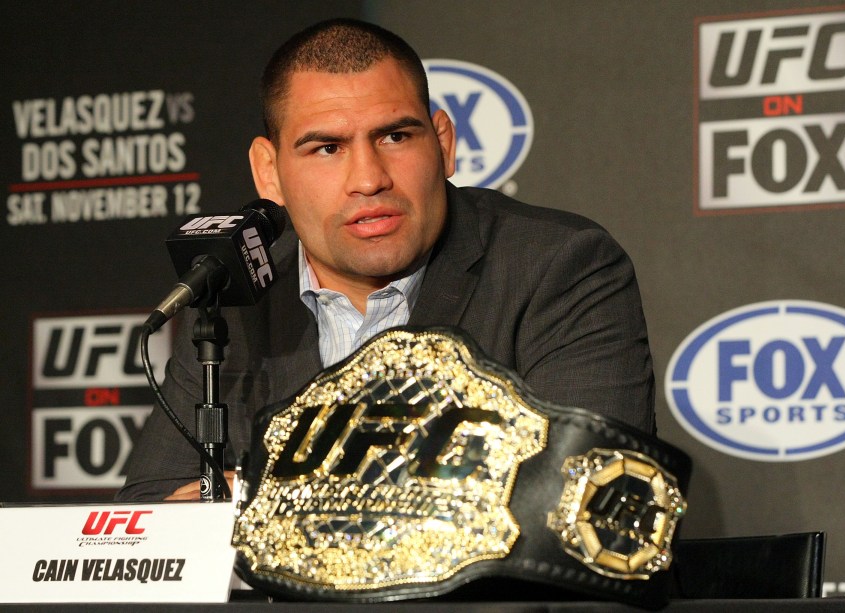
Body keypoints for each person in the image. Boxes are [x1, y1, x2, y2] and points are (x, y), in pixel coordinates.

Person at [117, 18, 655, 502]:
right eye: (327, 148)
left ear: (443, 144)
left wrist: (270, 492)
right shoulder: (235, 297)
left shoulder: (559, 267)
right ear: (269, 173)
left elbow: (588, 493)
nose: (369, 178)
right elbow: (153, 510)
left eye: (395, 136)